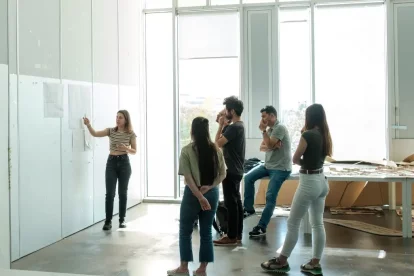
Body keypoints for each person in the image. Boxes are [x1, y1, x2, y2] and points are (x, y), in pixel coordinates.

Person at [260, 103, 332, 275]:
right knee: (317, 224)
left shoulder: (307, 135)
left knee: (293, 223)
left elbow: (295, 158)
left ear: (309, 117)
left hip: (308, 181)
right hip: (322, 181)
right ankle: (315, 263)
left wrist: (303, 143)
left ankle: (281, 261)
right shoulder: (325, 134)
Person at [167, 117, 227, 276]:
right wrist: (211, 187)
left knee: (185, 231)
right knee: (206, 232)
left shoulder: (187, 150)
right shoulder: (216, 150)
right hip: (212, 193)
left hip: (193, 194)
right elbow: (223, 174)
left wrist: (200, 196)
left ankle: (183, 268)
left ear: (192, 131)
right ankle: (201, 270)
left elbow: (187, 178)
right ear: (208, 131)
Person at [83, 110, 137, 231]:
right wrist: (88, 125)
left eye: (120, 118)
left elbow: (134, 151)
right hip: (111, 163)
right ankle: (108, 221)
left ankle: (122, 219)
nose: (117, 119)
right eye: (117, 117)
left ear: (126, 120)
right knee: (110, 194)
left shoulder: (131, 134)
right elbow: (95, 134)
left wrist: (126, 148)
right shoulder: (110, 131)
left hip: (124, 163)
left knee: (122, 193)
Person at [243, 105, 292, 237]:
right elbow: (263, 147)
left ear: (272, 116)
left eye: (264, 116)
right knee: (248, 178)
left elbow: (268, 145)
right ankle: (248, 209)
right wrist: (271, 143)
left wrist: (264, 134)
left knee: (270, 196)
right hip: (268, 165)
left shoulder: (279, 128)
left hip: (281, 168)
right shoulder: (271, 130)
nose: (262, 119)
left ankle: (261, 226)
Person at [213, 96, 246, 246]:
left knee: (230, 204)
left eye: (227, 110)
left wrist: (220, 126)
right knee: (236, 202)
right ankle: (237, 234)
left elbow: (216, 144)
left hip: (230, 170)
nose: (224, 112)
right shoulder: (239, 125)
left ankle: (231, 236)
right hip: (237, 169)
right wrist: (223, 118)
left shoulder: (233, 128)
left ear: (231, 111)